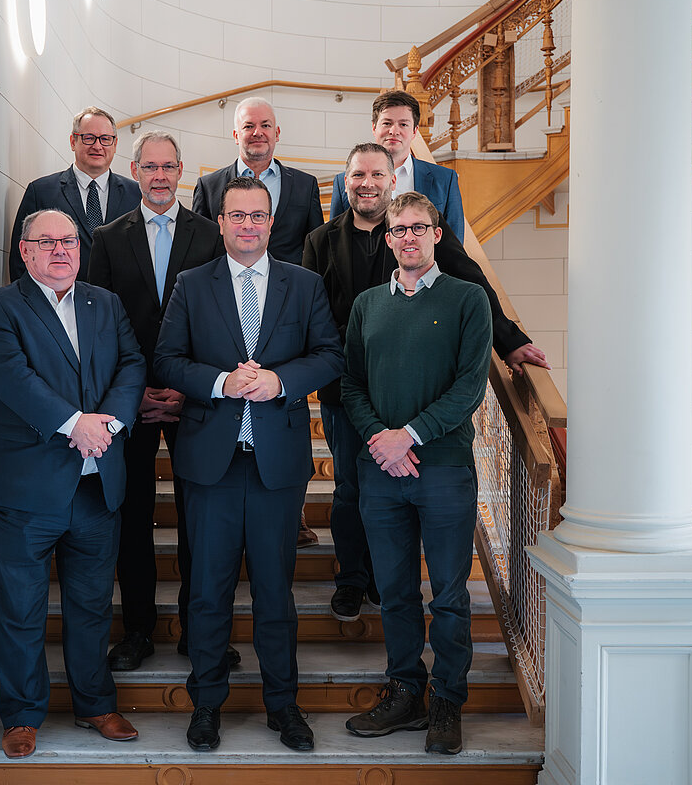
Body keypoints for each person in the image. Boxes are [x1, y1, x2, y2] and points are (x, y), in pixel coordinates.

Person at [304, 143, 548, 621]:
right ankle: (352, 579)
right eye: (357, 175)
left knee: (391, 490)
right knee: (352, 489)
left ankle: (383, 579)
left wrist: (510, 340)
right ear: (345, 181)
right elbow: (311, 314)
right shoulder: (322, 240)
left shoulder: (416, 229)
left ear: (392, 180)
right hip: (348, 391)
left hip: (411, 401)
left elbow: (472, 279)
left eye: (376, 174)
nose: (366, 183)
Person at [154, 177, 343, 752]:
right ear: (221, 222)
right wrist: (220, 382)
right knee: (207, 593)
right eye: (237, 215)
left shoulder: (304, 284)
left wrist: (281, 380)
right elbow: (165, 358)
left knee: (274, 594)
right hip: (210, 462)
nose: (247, 225)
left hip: (275, 467)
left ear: (270, 220)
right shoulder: (191, 284)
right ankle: (205, 704)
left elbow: (330, 355)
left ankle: (282, 706)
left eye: (257, 215)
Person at [0, 209, 145, 758]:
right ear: (24, 251)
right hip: (27, 491)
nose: (61, 250)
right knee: (20, 608)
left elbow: (132, 364)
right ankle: (22, 715)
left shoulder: (105, 303)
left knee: (92, 605)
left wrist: (110, 424)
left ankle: (95, 704)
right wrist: (77, 425)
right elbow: (14, 380)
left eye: (69, 240)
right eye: (47, 242)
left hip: (96, 487)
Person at [340, 192, 492, 755]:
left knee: (449, 595)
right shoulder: (366, 305)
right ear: (388, 239)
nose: (407, 237)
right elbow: (351, 383)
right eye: (398, 229)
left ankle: (448, 699)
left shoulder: (467, 300)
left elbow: (469, 386)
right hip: (380, 472)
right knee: (397, 593)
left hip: (444, 469)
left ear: (436, 234)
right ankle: (406, 690)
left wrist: (411, 435)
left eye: (418, 228)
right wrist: (382, 440)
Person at [88, 130, 238, 672]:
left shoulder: (210, 233)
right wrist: (137, 390)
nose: (158, 176)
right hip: (131, 400)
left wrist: (187, 383)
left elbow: (221, 318)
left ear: (181, 172)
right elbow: (100, 323)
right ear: (135, 169)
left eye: (167, 167)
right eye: (148, 167)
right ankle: (137, 631)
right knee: (133, 517)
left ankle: (200, 630)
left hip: (194, 396)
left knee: (201, 516)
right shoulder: (106, 239)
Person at [192, 97, 326, 547]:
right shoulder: (210, 184)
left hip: (286, 317)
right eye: (248, 125)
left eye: (265, 125)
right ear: (236, 133)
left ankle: (294, 512)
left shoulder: (304, 185)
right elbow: (204, 254)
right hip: (230, 318)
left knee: (284, 420)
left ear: (277, 132)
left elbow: (313, 251)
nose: (257, 132)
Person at [7, 106, 141, 283]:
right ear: (73, 142)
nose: (97, 146)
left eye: (105, 139)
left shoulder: (137, 195)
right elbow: (21, 260)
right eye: (89, 138)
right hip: (57, 304)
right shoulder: (41, 192)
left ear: (115, 144)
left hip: (120, 307)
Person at [329, 90, 465, 242]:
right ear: (374, 128)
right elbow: (335, 239)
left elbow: (455, 242)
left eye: (403, 124)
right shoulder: (343, 182)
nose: (394, 131)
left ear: (414, 131)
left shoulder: (445, 179)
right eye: (387, 123)